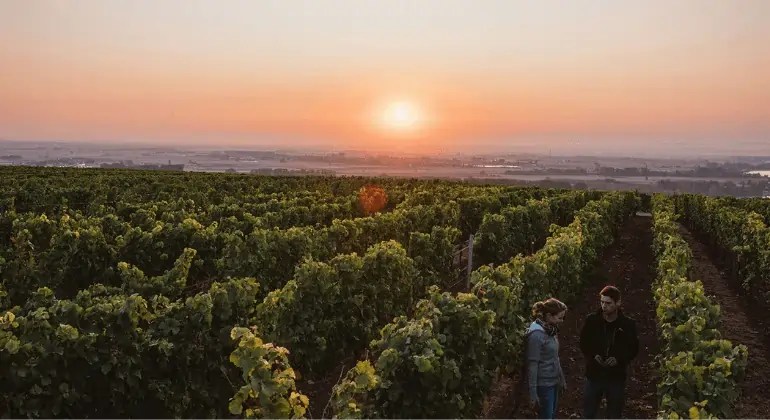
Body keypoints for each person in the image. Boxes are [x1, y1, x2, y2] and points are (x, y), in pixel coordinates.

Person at [579, 285, 639, 420]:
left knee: (614, 414)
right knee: (588, 413)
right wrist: (594, 355)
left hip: (615, 376)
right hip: (594, 374)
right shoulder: (592, 321)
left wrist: (619, 359)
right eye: (602, 302)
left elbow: (633, 348)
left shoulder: (627, 325)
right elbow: (583, 343)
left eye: (608, 303)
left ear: (618, 303)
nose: (604, 306)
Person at [526, 297, 568, 420]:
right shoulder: (536, 335)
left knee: (551, 415)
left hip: (553, 381)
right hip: (544, 384)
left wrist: (561, 378)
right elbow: (532, 365)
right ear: (549, 315)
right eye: (559, 317)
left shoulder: (551, 331)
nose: (561, 321)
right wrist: (533, 393)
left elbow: (555, 357)